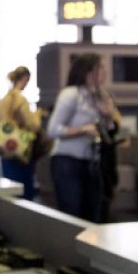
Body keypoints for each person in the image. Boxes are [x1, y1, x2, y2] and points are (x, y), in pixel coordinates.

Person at [47, 53, 120, 223]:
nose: (105, 71)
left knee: (92, 212)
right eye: (100, 68)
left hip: (91, 161)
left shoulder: (99, 95)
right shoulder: (72, 94)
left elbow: (107, 130)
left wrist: (108, 114)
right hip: (67, 160)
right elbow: (53, 130)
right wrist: (82, 130)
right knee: (72, 213)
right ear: (88, 72)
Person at [0, 66, 42, 201]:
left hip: (6, 144)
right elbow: (33, 125)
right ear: (25, 79)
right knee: (24, 187)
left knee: (10, 183)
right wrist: (37, 115)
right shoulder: (20, 100)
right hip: (21, 146)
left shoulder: (5, 99)